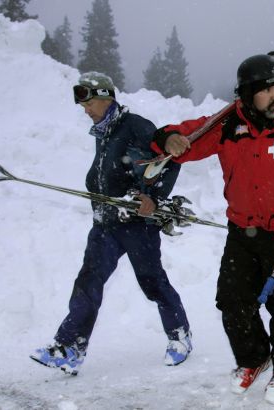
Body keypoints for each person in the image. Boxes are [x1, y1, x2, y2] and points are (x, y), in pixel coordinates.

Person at [151, 54, 274, 403]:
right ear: (247, 95)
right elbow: (187, 139)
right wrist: (170, 139)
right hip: (242, 231)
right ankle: (253, 357)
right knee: (232, 300)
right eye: (266, 90)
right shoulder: (229, 125)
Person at [30, 72, 192, 375]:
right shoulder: (102, 131)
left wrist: (152, 198)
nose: (86, 111)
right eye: (84, 106)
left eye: (89, 104)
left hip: (136, 224)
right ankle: (70, 347)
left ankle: (179, 335)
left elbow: (171, 161)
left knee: (152, 281)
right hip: (105, 220)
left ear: (106, 98)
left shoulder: (136, 126)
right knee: (88, 281)